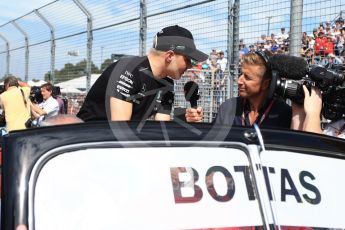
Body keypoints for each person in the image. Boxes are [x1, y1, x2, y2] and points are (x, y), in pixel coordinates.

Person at [77, 25, 208, 122]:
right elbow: (121, 130)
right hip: (83, 145)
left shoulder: (167, 84)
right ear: (169, 56)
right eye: (188, 59)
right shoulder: (129, 70)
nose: (191, 65)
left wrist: (185, 121)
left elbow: (161, 131)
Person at [186, 51, 292, 129]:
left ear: (266, 84)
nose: (239, 81)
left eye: (247, 77)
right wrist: (197, 124)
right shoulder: (227, 108)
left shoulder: (283, 114)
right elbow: (212, 144)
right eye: (241, 74)